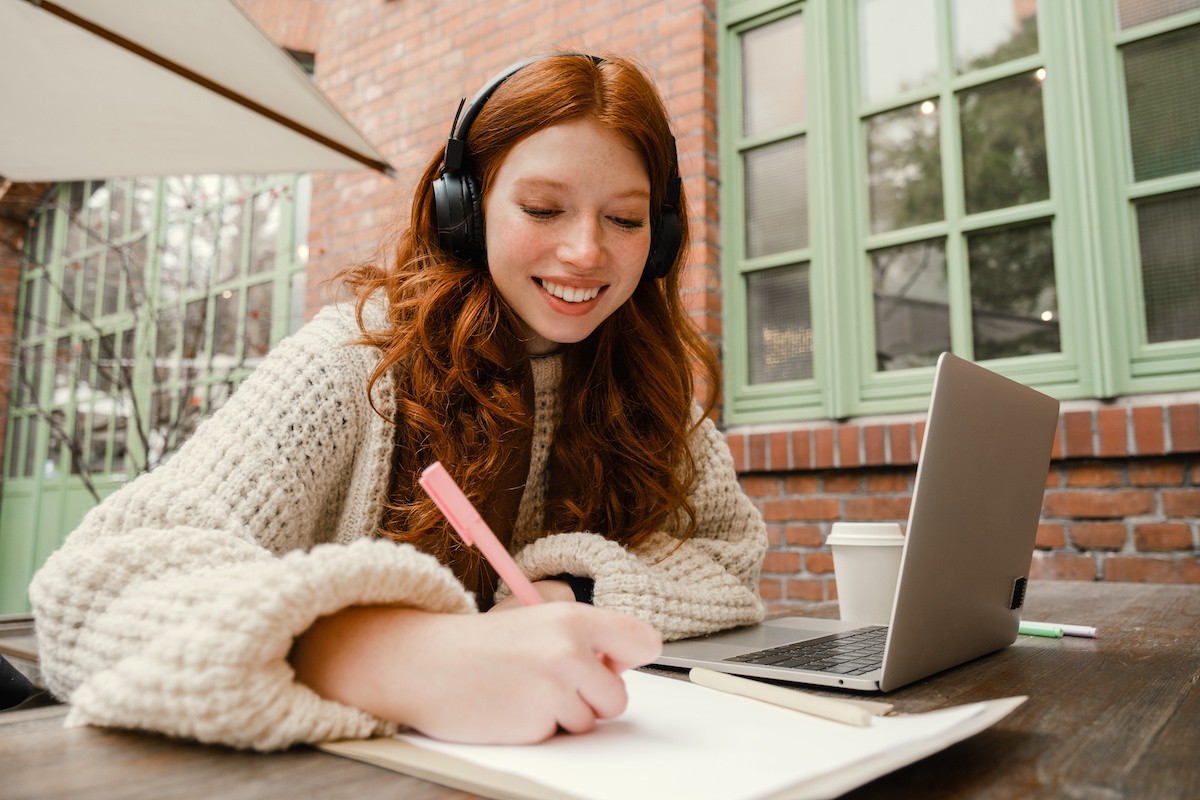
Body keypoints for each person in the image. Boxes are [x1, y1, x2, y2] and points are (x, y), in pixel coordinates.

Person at [28, 52, 767, 752]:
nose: (585, 251)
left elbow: (730, 562)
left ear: (662, 238)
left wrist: (572, 588)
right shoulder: (354, 363)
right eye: (543, 209)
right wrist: (401, 659)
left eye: (627, 220)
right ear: (463, 212)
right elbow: (92, 595)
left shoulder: (646, 382)